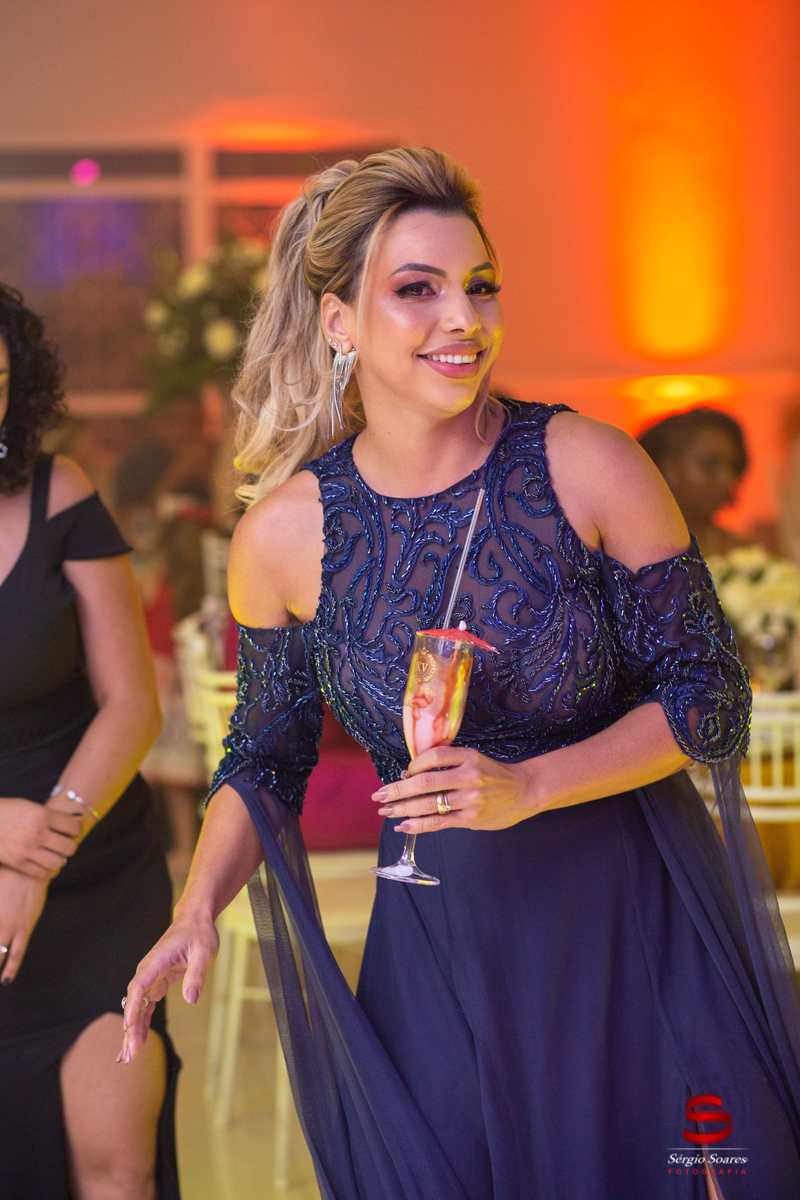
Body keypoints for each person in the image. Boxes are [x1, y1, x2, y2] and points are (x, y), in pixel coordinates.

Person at [122, 150, 800, 1199]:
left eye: (479, 286)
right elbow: (263, 758)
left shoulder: (587, 466)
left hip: (629, 925)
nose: (463, 319)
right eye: (417, 289)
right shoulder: (285, 537)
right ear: (338, 321)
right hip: (437, 948)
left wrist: (529, 783)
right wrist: (197, 903)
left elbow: (707, 695)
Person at [0, 285, 180, 1200]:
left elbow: (133, 704)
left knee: (118, 1160)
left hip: (94, 867)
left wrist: (39, 852)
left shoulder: (58, 493)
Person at [638, 407, 749, 557]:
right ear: (669, 467)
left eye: (733, 466)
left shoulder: (742, 553)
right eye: (709, 464)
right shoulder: (635, 551)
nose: (726, 479)